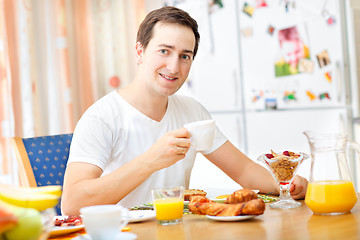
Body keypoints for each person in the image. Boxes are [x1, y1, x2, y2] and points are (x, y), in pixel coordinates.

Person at [61, 6, 308, 215]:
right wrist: (151, 160)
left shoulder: (192, 112)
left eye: (185, 56)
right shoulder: (101, 118)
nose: (173, 66)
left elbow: (243, 169)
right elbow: (72, 204)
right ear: (140, 51)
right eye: (164, 51)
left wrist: (286, 185)